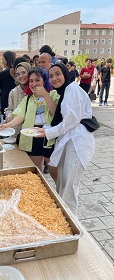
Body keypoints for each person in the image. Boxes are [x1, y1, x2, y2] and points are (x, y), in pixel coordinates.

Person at [35, 63, 95, 216]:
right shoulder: (65, 92)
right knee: (63, 184)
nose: (55, 78)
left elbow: (71, 121)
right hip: (70, 141)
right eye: (52, 76)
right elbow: (63, 121)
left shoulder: (72, 89)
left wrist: (48, 132)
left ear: (65, 74)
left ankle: (70, 224)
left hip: (77, 143)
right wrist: (46, 129)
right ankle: (62, 218)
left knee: (69, 187)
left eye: (58, 74)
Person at [0, 68, 59, 176]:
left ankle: (59, 191)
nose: (34, 83)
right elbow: (20, 116)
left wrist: (45, 94)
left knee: (54, 170)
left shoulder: (53, 94)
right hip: (32, 136)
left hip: (49, 136)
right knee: (36, 171)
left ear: (44, 81)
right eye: (31, 81)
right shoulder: (27, 99)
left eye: (37, 80)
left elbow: (55, 112)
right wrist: (7, 125)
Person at [4, 62, 32, 139]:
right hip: (16, 133)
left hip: (31, 133)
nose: (21, 76)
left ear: (29, 73)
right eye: (18, 74)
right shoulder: (13, 92)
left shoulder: (35, 91)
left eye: (23, 72)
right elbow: (9, 109)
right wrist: (9, 116)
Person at [0, 50, 16, 121]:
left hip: (14, 106)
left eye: (3, 59)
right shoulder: (2, 74)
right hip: (7, 107)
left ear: (7, 59)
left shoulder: (17, 73)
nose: (2, 61)